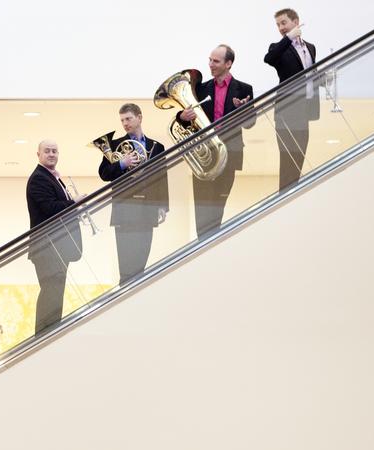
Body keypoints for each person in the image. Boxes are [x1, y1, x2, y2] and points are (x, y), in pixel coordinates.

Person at [178, 44, 254, 239]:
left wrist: (244, 109)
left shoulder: (245, 89)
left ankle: (211, 242)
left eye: (216, 61)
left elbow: (250, 124)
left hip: (229, 155)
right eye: (210, 60)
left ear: (228, 64)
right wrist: (183, 117)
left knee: (218, 205)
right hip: (204, 156)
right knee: (201, 206)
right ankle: (202, 244)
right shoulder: (200, 89)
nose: (210, 64)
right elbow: (185, 120)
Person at [98, 103, 169, 283]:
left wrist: (162, 206)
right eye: (122, 120)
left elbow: (162, 177)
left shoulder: (157, 147)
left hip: (147, 210)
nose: (125, 123)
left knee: (141, 263)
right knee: (126, 267)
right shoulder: (115, 145)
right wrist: (122, 163)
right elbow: (104, 174)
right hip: (124, 212)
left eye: (128, 118)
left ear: (139, 117)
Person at [26, 140, 83, 334]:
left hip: (57, 247)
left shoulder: (52, 177)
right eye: (47, 151)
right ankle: (44, 337)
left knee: (55, 294)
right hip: (47, 247)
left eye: (55, 151)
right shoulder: (39, 178)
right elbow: (50, 209)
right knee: (51, 295)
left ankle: (50, 333)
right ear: (38, 154)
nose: (52, 154)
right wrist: (74, 202)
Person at [264, 8, 319, 192]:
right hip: (286, 111)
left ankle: (293, 193)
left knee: (299, 157)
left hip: (304, 110)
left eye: (284, 23)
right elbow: (269, 59)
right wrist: (288, 38)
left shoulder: (310, 47)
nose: (280, 27)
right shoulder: (278, 48)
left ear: (296, 22)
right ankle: (285, 196)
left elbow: (310, 75)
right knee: (287, 158)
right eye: (278, 24)